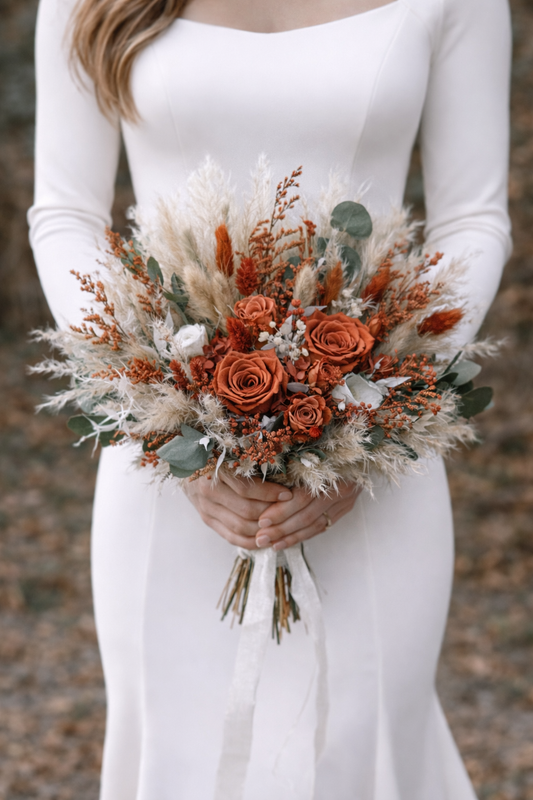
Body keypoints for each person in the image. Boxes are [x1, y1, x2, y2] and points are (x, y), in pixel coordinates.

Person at [28, 0, 512, 797]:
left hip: (377, 466)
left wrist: (375, 411)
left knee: (363, 749)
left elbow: (471, 218)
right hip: (165, 472)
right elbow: (66, 216)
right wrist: (164, 413)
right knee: (177, 752)